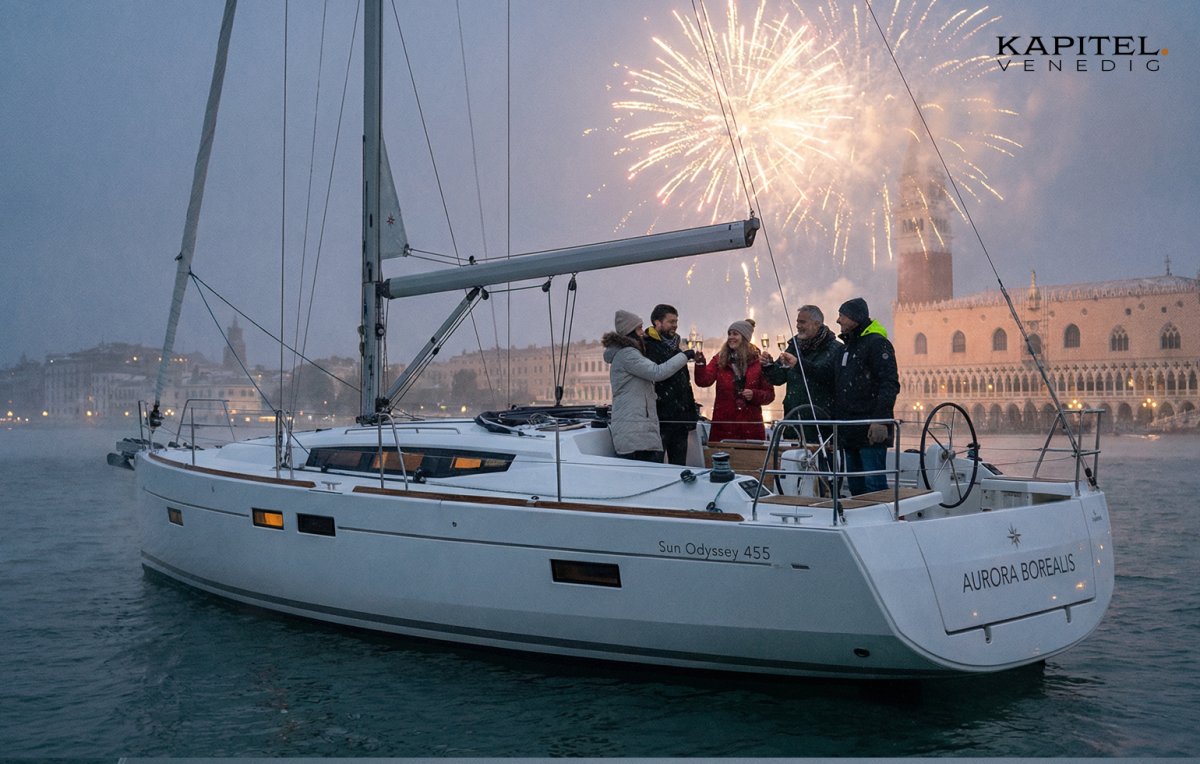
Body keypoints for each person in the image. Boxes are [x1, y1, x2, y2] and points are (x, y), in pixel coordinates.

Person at [602, 309, 695, 462]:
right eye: (639, 328)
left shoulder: (628, 353)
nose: (642, 333)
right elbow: (657, 372)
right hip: (635, 431)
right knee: (645, 477)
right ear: (630, 331)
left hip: (637, 430)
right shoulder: (628, 354)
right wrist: (685, 355)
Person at [832, 297, 900, 495]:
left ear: (855, 318)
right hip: (849, 429)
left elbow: (889, 383)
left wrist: (879, 420)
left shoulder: (878, 344)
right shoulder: (846, 347)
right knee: (856, 487)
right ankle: (860, 520)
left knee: (874, 486)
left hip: (870, 431)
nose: (838, 320)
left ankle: (880, 522)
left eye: (842, 315)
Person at [762, 304, 842, 443]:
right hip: (793, 423)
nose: (798, 326)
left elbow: (825, 375)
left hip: (821, 425)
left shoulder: (835, 349)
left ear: (817, 324)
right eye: (797, 322)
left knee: (824, 464)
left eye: (802, 322)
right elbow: (778, 378)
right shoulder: (794, 347)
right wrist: (768, 366)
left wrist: (799, 364)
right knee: (792, 463)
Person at [694, 319, 775, 443]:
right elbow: (704, 381)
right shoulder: (720, 359)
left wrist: (754, 395)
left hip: (751, 429)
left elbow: (769, 395)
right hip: (723, 428)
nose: (731, 337)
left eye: (735, 334)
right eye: (729, 334)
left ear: (745, 338)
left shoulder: (759, 362)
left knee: (750, 462)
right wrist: (700, 364)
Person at [643, 304, 703, 465]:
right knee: (655, 468)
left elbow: (683, 383)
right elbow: (659, 374)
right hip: (660, 420)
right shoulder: (647, 346)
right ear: (657, 323)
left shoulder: (676, 347)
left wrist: (690, 412)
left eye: (676, 321)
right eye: (671, 322)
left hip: (679, 420)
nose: (675, 326)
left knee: (678, 467)